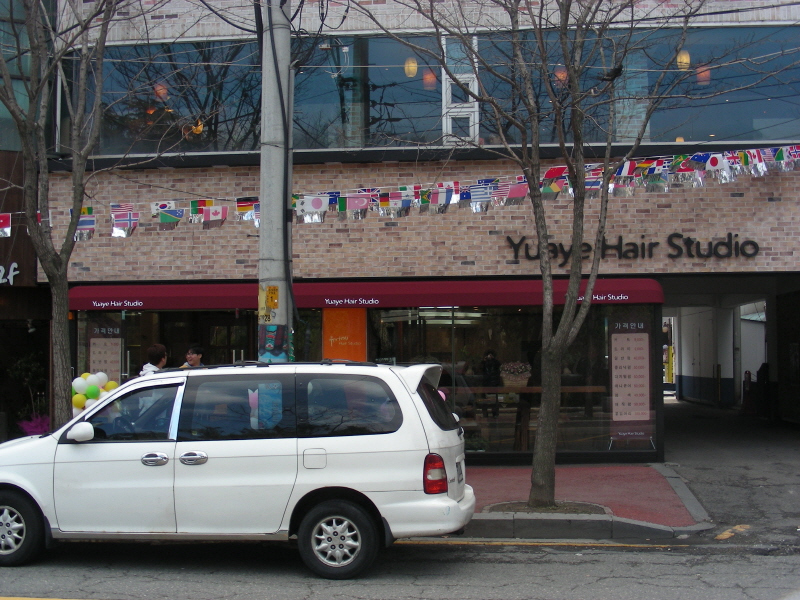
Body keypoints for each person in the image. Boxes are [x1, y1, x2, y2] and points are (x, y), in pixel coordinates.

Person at [480, 349, 502, 418]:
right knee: (484, 400)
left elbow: (499, 366)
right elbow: (480, 369)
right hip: (485, 383)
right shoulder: (484, 362)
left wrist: (494, 359)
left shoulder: (495, 362)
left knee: (494, 400)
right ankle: (485, 413)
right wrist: (484, 361)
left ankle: (495, 413)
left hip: (494, 383)